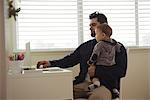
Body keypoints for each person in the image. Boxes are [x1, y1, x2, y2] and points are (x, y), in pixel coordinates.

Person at [37, 11, 127, 100]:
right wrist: (49, 63)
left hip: (105, 86)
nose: (90, 28)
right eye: (90, 25)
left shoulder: (117, 47)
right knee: (56, 92)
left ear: (104, 26)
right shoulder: (86, 46)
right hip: (83, 84)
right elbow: (70, 60)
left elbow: (121, 71)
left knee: (98, 98)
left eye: (93, 25)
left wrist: (97, 71)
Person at [87, 23, 121, 94]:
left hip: (101, 65)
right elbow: (119, 48)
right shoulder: (114, 43)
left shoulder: (99, 44)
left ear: (103, 35)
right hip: (111, 65)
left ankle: (96, 83)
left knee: (95, 76)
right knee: (112, 79)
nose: (95, 36)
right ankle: (114, 89)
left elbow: (95, 55)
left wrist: (90, 62)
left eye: (96, 34)